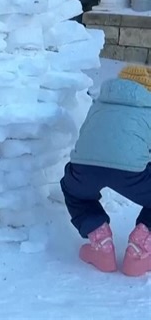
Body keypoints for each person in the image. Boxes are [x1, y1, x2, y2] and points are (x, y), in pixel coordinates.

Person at [60, 65, 151, 277]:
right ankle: (140, 248)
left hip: (84, 167)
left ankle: (101, 242)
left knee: (75, 193)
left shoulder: (101, 102)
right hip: (132, 173)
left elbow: (87, 135)